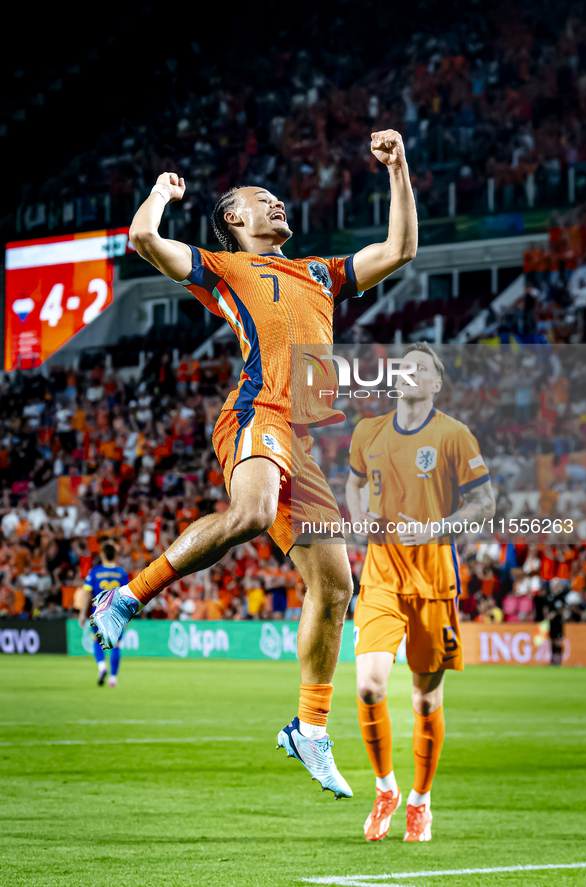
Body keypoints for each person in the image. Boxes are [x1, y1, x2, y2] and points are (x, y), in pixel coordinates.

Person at [91, 129, 417, 798]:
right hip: (254, 413)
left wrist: (397, 168)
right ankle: (126, 597)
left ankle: (309, 728)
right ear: (234, 219)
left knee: (334, 588)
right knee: (252, 511)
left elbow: (400, 249)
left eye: (276, 199)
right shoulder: (223, 266)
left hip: (300, 438)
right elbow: (146, 242)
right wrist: (158, 192)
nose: (276, 205)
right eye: (259, 200)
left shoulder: (319, 272)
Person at [345, 342, 495, 841]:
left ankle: (420, 802)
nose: (409, 373)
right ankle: (385, 788)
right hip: (381, 574)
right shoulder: (368, 431)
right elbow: (353, 480)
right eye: (403, 366)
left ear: (435, 384)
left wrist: (439, 527)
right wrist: (357, 510)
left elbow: (485, 501)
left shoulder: (453, 435)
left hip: (433, 577)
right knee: (369, 685)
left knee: (425, 701)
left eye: (421, 368)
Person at [79, 542, 129, 687]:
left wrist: (82, 613)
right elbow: (126, 596)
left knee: (96, 641)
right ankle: (113, 678)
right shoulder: (121, 573)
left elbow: (87, 593)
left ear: (102, 555)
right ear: (115, 555)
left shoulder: (94, 572)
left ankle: (102, 667)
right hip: (117, 615)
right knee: (116, 645)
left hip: (98, 613)